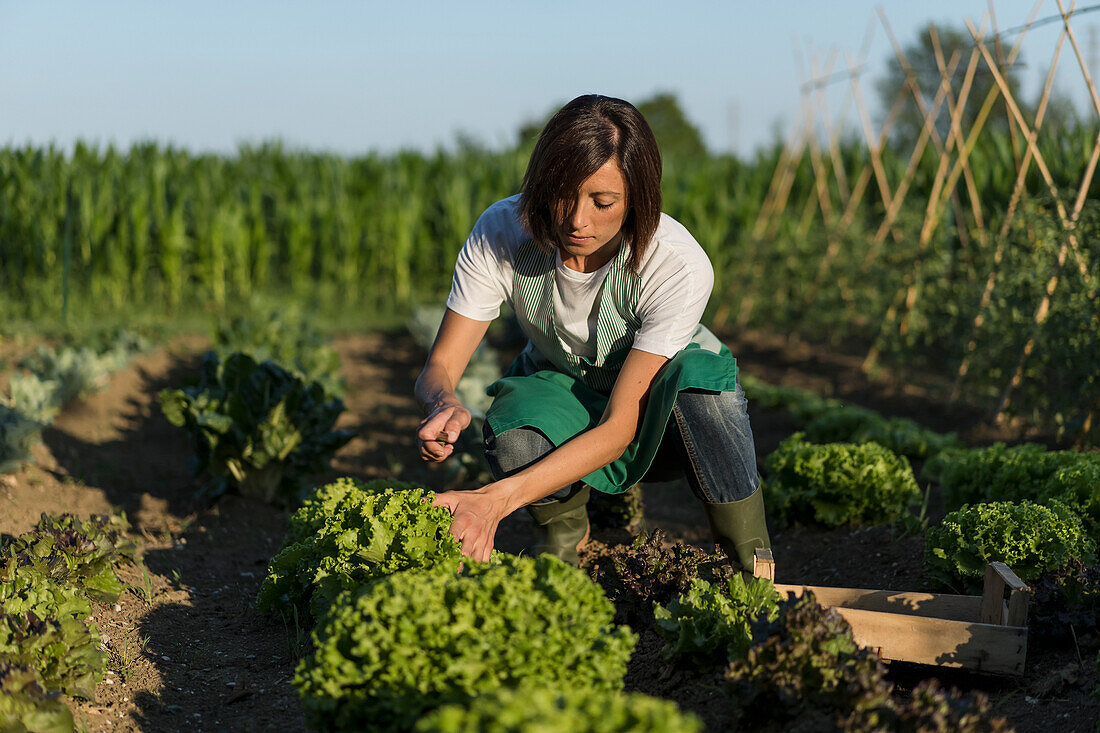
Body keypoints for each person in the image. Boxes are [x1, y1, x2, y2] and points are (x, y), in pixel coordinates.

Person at [414, 94, 769, 573]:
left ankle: (749, 561)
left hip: (657, 403)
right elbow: (440, 367)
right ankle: (564, 547)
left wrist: (494, 502)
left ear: (637, 198)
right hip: (565, 386)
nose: (578, 220)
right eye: (562, 195)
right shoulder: (501, 232)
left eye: (603, 202)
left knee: (708, 396)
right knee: (516, 423)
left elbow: (620, 428)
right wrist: (444, 401)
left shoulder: (675, 264)